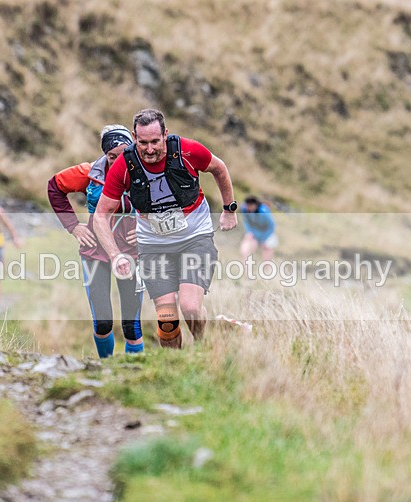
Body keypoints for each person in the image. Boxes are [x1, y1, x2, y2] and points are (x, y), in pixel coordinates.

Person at [93, 108, 238, 349]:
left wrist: (229, 209)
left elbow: (219, 168)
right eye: (143, 143)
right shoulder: (124, 165)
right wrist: (115, 255)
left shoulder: (188, 150)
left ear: (165, 135)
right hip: (154, 246)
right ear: (134, 137)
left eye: (155, 142)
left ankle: (202, 347)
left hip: (195, 238)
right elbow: (100, 216)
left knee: (190, 307)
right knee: (167, 321)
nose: (149, 149)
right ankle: (175, 364)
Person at [47, 125, 144, 358]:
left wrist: (145, 229)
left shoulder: (146, 171)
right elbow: (55, 187)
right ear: (104, 154)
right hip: (95, 251)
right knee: (102, 322)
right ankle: (106, 368)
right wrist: (73, 226)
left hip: (132, 251)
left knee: (132, 326)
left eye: (123, 154)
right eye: (112, 156)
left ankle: (135, 371)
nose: (118, 161)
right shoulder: (89, 173)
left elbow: (166, 203)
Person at [240, 195, 278, 262]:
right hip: (254, 233)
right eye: (247, 206)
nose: (248, 208)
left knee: (267, 253)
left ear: (255, 205)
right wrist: (249, 232)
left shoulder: (263, 211)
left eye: (250, 206)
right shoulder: (244, 209)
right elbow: (246, 221)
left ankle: (267, 267)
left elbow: (271, 226)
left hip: (267, 234)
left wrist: (265, 239)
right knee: (245, 249)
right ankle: (247, 266)